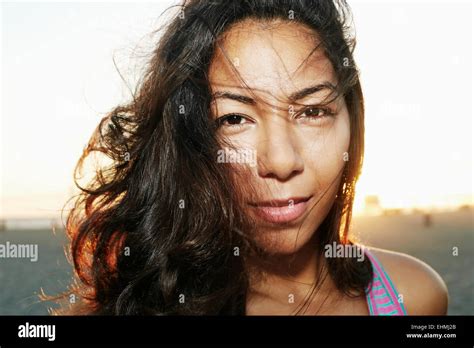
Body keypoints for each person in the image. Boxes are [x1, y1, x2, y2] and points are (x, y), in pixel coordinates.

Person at [59, 0, 448, 315]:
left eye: (312, 111)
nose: (280, 161)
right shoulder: (135, 307)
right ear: (193, 142)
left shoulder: (414, 297)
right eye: (234, 119)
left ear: (352, 120)